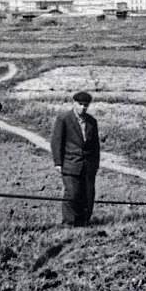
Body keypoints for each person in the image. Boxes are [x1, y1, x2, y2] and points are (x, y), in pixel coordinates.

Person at [50, 91, 100, 226]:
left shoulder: (92, 122)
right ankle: (69, 223)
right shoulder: (64, 119)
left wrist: (95, 165)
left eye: (85, 105)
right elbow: (56, 141)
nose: (83, 108)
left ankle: (83, 223)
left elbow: (96, 145)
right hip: (70, 163)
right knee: (72, 194)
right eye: (80, 104)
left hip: (88, 165)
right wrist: (58, 162)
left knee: (88, 195)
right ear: (74, 103)